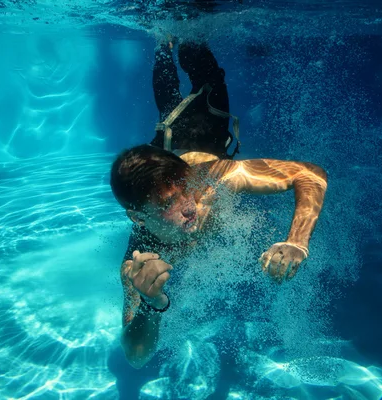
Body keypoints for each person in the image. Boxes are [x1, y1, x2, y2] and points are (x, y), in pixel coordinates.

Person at [109, 40, 328, 368]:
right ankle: (163, 44)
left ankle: (182, 34)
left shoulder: (209, 179)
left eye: (186, 191)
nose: (190, 205)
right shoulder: (137, 263)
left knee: (205, 81)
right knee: (167, 105)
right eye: (170, 202)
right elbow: (136, 355)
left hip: (205, 135)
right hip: (169, 158)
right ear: (138, 218)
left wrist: (297, 241)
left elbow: (309, 174)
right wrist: (150, 304)